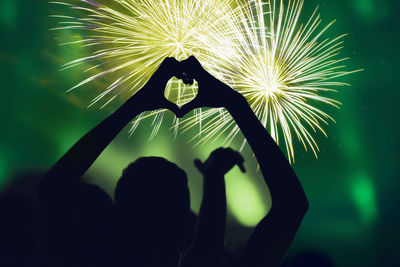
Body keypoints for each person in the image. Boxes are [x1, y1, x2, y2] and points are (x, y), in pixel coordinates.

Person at [38, 55, 308, 267]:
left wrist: (136, 104)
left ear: (119, 219)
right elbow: (291, 206)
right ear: (185, 230)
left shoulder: (87, 260)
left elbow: (53, 188)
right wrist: (235, 103)